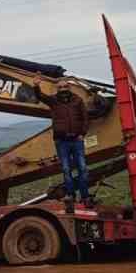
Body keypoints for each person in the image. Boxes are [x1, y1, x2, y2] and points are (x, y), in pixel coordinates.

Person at [45, 80, 92, 209]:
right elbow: (41, 97)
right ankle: (71, 195)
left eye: (65, 86)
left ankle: (85, 196)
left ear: (69, 87)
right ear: (57, 89)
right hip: (62, 141)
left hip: (77, 140)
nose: (63, 88)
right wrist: (36, 86)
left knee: (82, 168)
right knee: (66, 169)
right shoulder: (54, 101)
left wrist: (83, 133)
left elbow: (85, 118)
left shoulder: (77, 100)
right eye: (60, 87)